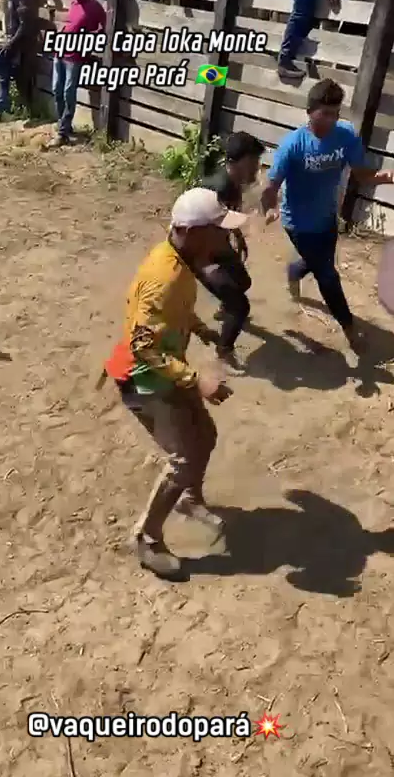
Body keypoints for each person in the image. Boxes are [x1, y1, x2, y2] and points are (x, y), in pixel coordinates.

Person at [103, 188, 238, 579]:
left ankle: (189, 499)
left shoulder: (178, 259)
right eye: (218, 231)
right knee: (183, 458)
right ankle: (145, 538)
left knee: (204, 437)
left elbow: (174, 311)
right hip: (145, 380)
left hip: (164, 370)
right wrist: (197, 381)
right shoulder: (165, 276)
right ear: (193, 233)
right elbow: (142, 346)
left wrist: (200, 328)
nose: (225, 238)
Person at [260, 78, 394, 352]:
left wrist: (386, 177)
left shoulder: (345, 136)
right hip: (298, 224)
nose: (331, 120)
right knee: (328, 276)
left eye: (335, 113)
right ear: (310, 111)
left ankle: (294, 271)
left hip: (327, 217)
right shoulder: (293, 145)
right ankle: (350, 330)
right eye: (326, 113)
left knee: (318, 263)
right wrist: (270, 208)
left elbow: (361, 174)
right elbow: (270, 186)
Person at [200, 132, 265, 365]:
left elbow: (227, 215)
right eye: (254, 161)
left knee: (243, 282)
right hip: (201, 253)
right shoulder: (217, 188)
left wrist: (237, 235)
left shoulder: (234, 183)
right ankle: (224, 349)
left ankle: (224, 307)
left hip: (217, 246)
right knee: (240, 306)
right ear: (242, 161)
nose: (257, 167)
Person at [48, 0, 105, 148]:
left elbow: (105, 27)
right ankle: (64, 125)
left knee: (68, 92)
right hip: (60, 52)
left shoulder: (94, 7)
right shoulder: (73, 3)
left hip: (75, 56)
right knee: (56, 89)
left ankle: (63, 132)